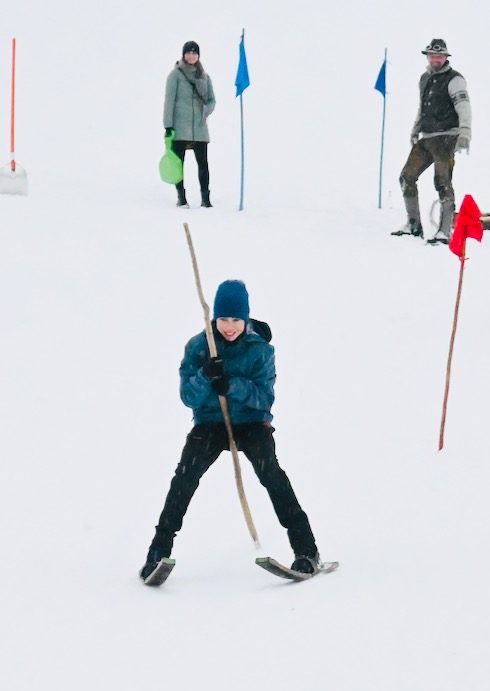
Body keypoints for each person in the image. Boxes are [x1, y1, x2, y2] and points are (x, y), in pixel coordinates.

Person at [140, 280, 321, 581]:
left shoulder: (260, 350)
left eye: (236, 319)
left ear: (246, 319)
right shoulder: (200, 346)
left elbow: (265, 398)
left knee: (271, 475)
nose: (229, 326)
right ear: (214, 318)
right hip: (211, 422)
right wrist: (204, 377)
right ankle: (157, 553)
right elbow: (188, 397)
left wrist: (232, 385)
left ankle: (307, 551)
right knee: (184, 476)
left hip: (251, 423)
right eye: (224, 318)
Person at [390, 38, 472, 245]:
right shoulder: (424, 78)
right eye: (432, 55)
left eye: (439, 56)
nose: (436, 59)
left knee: (442, 181)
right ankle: (413, 225)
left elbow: (464, 107)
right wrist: (416, 128)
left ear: (445, 57)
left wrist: (465, 134)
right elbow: (422, 107)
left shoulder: (455, 79)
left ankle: (445, 231)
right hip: (426, 137)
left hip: (447, 136)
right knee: (406, 176)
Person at [163, 41, 216, 208]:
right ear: (183, 54)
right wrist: (168, 125)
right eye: (188, 53)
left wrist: (206, 110)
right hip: (180, 127)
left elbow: (212, 99)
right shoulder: (175, 75)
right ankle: (181, 197)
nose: (191, 56)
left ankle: (205, 199)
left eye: (194, 53)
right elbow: (169, 101)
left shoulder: (204, 77)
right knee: (179, 165)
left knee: (203, 165)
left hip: (200, 128)